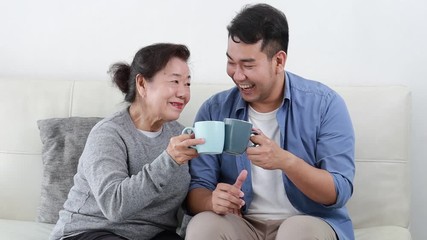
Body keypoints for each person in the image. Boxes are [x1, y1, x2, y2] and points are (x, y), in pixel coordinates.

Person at [185, 3, 355, 240]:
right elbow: (196, 189)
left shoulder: (325, 105)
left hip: (307, 222)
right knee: (203, 226)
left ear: (278, 61)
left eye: (248, 65)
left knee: (295, 232)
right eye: (231, 62)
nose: (237, 74)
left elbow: (338, 191)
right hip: (241, 224)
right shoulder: (214, 110)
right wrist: (212, 200)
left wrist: (285, 161)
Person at [49, 43, 204, 240]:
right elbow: (114, 205)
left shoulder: (180, 134)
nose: (183, 93)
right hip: (91, 231)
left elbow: (188, 201)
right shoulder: (109, 134)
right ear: (142, 84)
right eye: (175, 81)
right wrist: (169, 161)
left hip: (153, 235)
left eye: (187, 83)